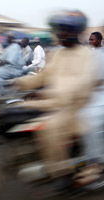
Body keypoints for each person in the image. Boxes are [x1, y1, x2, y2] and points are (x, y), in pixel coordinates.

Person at [14, 10, 96, 178]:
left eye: (67, 29)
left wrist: (44, 93)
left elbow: (77, 86)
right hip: (53, 101)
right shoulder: (58, 53)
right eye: (60, 29)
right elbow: (43, 76)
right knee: (15, 111)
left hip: (73, 106)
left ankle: (59, 171)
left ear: (77, 32)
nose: (62, 33)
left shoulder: (85, 56)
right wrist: (19, 83)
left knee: (49, 128)